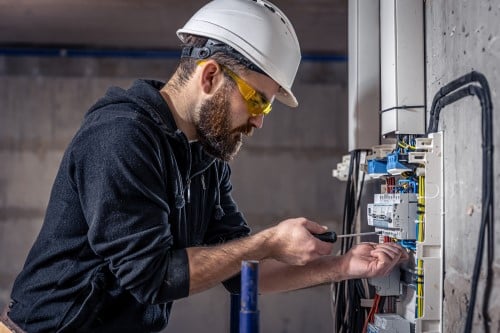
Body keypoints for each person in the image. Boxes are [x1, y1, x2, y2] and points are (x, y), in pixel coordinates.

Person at [1, 0, 408, 332]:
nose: (260, 119)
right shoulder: (121, 137)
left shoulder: (206, 160)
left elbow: (242, 273)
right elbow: (154, 277)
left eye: (266, 106)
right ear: (210, 75)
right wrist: (267, 241)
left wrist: (343, 266)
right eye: (257, 100)